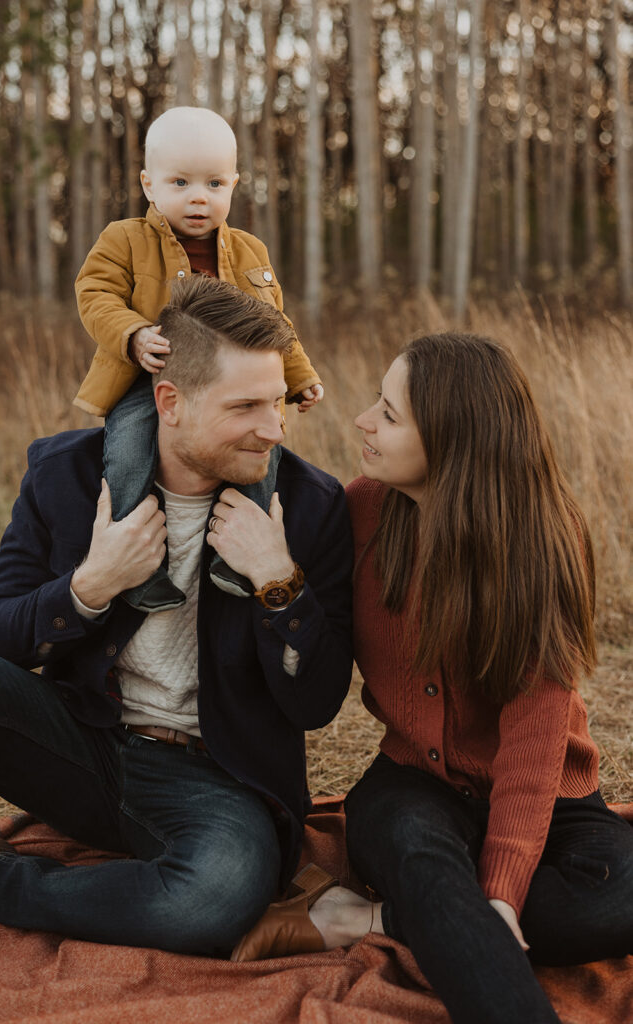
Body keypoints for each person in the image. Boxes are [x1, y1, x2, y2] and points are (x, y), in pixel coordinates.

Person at [232, 333, 633, 1024]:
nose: (362, 420)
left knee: (612, 902)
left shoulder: (542, 536)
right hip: (410, 784)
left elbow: (538, 737)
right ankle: (442, 912)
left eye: (387, 414)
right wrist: (277, 579)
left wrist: (502, 894)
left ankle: (367, 917)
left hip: (547, 793)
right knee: (422, 859)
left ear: (451, 441)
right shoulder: (355, 514)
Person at [0, 276, 353, 957]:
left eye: (278, 401)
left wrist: (278, 582)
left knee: (211, 899)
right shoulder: (66, 476)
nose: (274, 428)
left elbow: (317, 702)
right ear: (169, 401)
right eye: (246, 406)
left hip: (217, 781)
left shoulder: (309, 506)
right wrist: (91, 583)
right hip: (82, 746)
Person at [75, 106, 323, 612]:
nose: (198, 197)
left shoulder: (250, 251)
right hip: (145, 379)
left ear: (233, 185)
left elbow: (274, 324)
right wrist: (133, 333)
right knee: (126, 452)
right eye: (181, 182)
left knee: (264, 450)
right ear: (149, 185)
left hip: (228, 388)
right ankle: (138, 564)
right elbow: (94, 293)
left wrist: (299, 377)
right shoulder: (124, 239)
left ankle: (235, 559)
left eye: (214, 184)